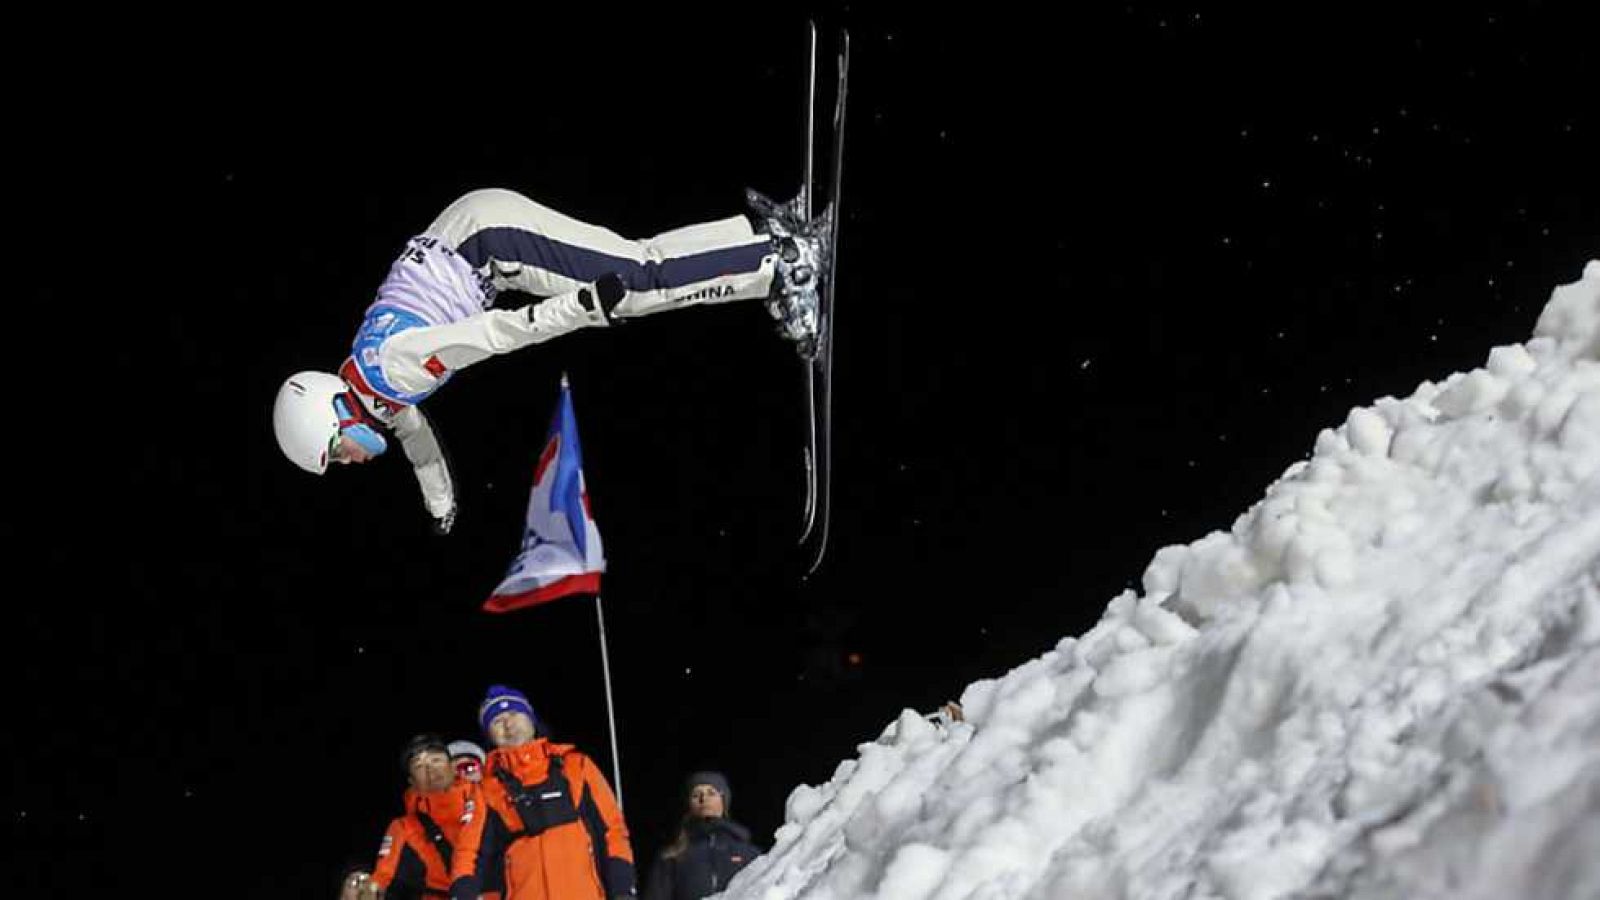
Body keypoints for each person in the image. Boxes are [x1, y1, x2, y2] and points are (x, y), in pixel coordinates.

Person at [272, 187, 828, 533]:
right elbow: (417, 442)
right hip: (475, 239)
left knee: (632, 283)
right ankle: (763, 244)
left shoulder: (392, 367)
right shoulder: (374, 385)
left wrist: (579, 309)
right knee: (634, 268)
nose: (351, 461)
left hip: (488, 243)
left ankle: (782, 261)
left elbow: (495, 334)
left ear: (334, 415)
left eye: (336, 453)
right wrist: (439, 506)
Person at [450, 685, 636, 900]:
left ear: (531, 719)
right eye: (497, 721)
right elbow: (468, 853)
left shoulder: (576, 766)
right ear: (489, 735)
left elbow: (613, 830)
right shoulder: (485, 789)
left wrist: (623, 889)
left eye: (514, 714)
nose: (508, 725)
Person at [343, 734, 498, 900]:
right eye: (419, 766)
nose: (430, 769)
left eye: (436, 760)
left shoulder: (487, 797)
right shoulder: (403, 828)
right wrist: (369, 889)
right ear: (412, 781)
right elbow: (384, 875)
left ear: (452, 765)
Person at [642, 771, 761, 900]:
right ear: (689, 805)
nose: (703, 799)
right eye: (696, 795)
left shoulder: (750, 854)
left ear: (723, 801)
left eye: (711, 793)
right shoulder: (672, 857)